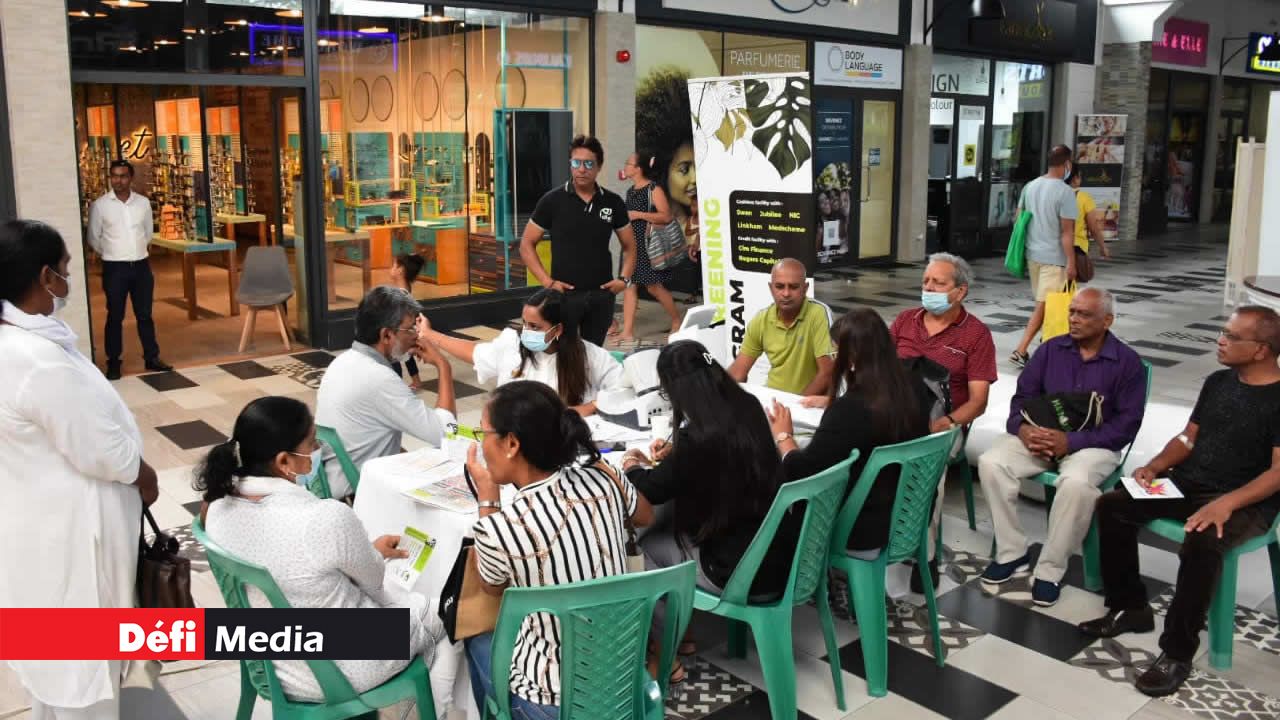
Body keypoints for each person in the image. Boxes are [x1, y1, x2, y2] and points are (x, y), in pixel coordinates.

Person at [197, 396, 452, 712]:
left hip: (271, 664)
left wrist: (363, 553)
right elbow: (374, 582)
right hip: (341, 669)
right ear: (284, 462)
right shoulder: (323, 517)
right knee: (444, 614)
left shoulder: (216, 507)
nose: (319, 450)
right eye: (312, 443)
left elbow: (289, 561)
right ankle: (440, 711)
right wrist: (370, 559)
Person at [0, 218, 159, 720]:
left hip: (39, 522)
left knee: (54, 661)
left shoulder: (21, 341)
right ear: (45, 277)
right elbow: (100, 449)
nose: (70, 280)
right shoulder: (36, 360)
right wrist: (145, 476)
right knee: (82, 669)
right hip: (73, 532)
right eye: (66, 270)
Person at [1078, 306, 1280, 697]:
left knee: (1203, 540)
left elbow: (1277, 472)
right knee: (1113, 506)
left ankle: (1177, 651)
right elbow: (1189, 438)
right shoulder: (1219, 381)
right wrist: (1154, 466)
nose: (1220, 340)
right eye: (1223, 332)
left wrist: (1227, 503)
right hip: (1188, 483)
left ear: (1261, 350)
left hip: (1245, 500)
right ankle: (1131, 607)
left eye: (1231, 336)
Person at [465, 381, 654, 717]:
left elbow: (491, 588)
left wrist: (488, 499)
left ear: (511, 444)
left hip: (549, 699)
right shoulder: (606, 479)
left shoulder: (500, 528)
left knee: (475, 638)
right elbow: (645, 516)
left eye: (484, 434)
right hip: (623, 676)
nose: (481, 445)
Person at [977, 288, 1146, 607]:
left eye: (1084, 314)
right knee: (991, 462)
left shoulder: (1127, 363)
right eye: (1072, 312)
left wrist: (1071, 441)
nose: (1074, 319)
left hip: (1094, 444)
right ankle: (1012, 552)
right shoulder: (1050, 350)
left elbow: (1126, 426)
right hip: (1040, 437)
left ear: (1107, 321)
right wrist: (1024, 430)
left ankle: (1050, 569)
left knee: (1077, 484)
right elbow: (1021, 400)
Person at [768, 309, 930, 555]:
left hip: (860, 527)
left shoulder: (851, 409)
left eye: (836, 353)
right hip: (907, 513)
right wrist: (832, 403)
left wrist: (784, 437)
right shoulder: (912, 385)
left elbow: (804, 476)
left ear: (851, 357)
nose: (835, 361)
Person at [314, 286, 456, 498]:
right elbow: (446, 433)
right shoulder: (378, 378)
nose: (416, 336)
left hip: (336, 479)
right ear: (387, 335)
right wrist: (443, 366)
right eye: (410, 329)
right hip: (357, 494)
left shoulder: (342, 362)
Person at [417, 288, 623, 416]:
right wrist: (430, 334)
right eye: (524, 323)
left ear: (558, 329)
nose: (527, 331)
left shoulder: (591, 356)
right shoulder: (512, 346)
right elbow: (474, 352)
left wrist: (590, 407)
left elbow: (623, 389)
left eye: (535, 326)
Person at [519, 135, 637, 346]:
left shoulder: (612, 202)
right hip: (564, 296)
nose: (582, 169)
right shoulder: (552, 200)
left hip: (602, 295)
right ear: (570, 164)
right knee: (563, 354)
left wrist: (624, 280)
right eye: (576, 163)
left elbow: (630, 246)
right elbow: (526, 244)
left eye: (589, 164)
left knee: (594, 354)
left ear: (599, 166)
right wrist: (548, 282)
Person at [87, 159, 171, 379]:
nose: (118, 180)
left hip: (141, 266)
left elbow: (148, 233)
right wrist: (113, 254)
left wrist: (136, 252)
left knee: (145, 315)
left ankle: (152, 358)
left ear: (131, 178)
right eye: (114, 176)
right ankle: (113, 362)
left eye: (123, 176)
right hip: (115, 268)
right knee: (115, 316)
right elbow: (94, 238)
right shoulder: (100, 205)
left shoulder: (142, 203)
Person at [1011, 145, 1078, 368]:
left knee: (1046, 305)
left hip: (1033, 256)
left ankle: (1047, 346)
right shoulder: (1065, 192)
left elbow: (1018, 219)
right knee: (1044, 306)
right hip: (1054, 259)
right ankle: (1021, 350)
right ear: (1067, 164)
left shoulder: (1030, 186)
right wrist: (1071, 262)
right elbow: (1067, 233)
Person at [727, 258, 834, 396]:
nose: (786, 293)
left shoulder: (819, 314)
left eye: (793, 287)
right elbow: (738, 372)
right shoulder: (761, 319)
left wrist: (796, 405)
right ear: (771, 288)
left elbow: (827, 372)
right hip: (774, 399)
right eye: (779, 286)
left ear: (805, 288)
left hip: (808, 404)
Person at [617, 152, 683, 341]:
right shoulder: (631, 191)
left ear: (638, 169)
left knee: (654, 287)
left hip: (647, 245)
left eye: (628, 163)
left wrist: (638, 214)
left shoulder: (653, 189)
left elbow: (666, 216)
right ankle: (627, 332)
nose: (625, 166)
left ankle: (676, 320)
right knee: (629, 286)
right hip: (631, 245)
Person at [389, 253, 425, 389]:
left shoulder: (400, 293)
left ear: (401, 270)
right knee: (406, 355)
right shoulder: (405, 288)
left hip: (400, 331)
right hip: (405, 330)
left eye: (394, 266)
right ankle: (416, 380)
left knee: (393, 358)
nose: (391, 269)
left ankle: (397, 387)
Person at [1068, 170, 1111, 260]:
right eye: (1079, 177)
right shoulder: (1085, 198)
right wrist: (1102, 247)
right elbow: (1093, 228)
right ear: (1076, 179)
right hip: (1077, 247)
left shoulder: (1054, 194)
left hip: (1054, 247)